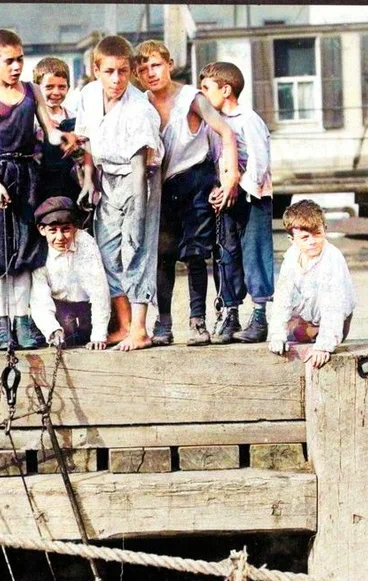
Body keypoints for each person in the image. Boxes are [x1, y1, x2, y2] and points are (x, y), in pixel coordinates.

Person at [0, 28, 76, 351]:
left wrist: (69, 139)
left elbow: (50, 130)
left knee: (26, 256)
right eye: (9, 61)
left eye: (20, 60)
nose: (17, 67)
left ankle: (22, 322)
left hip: (28, 178)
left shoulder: (32, 91)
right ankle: (0, 324)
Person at [136, 41, 240, 347]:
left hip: (195, 181)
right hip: (160, 186)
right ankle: (163, 322)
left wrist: (230, 177)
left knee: (196, 255)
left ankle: (198, 321)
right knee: (162, 256)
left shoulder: (190, 98)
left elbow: (226, 132)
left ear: (169, 64)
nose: (150, 74)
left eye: (155, 65)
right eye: (142, 69)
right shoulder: (140, 102)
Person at [74, 35, 163, 352]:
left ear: (131, 71)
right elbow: (85, 141)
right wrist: (89, 179)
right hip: (106, 176)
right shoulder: (87, 95)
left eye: (123, 71)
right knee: (107, 251)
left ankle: (140, 329)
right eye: (109, 71)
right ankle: (123, 323)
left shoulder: (138, 107)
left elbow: (140, 168)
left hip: (139, 180)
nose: (116, 79)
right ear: (96, 69)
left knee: (138, 248)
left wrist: (138, 214)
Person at [200, 61, 276, 344]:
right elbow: (214, 161)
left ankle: (259, 316)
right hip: (227, 200)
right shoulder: (215, 125)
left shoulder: (248, 120)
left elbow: (259, 163)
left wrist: (238, 187)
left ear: (226, 89)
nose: (203, 96)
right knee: (226, 254)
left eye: (207, 89)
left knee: (254, 254)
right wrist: (216, 188)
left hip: (251, 198)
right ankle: (230, 312)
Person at [267, 200, 357, 370]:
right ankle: (305, 333)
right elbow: (282, 298)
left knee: (312, 335)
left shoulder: (332, 259)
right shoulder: (291, 257)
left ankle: (320, 337)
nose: (312, 242)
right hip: (305, 314)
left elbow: (334, 307)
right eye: (305, 237)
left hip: (334, 318)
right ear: (292, 239)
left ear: (325, 230)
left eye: (317, 234)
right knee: (287, 330)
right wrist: (277, 335)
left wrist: (324, 346)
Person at [28, 196, 110, 350]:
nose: (60, 237)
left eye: (66, 229)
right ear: (41, 229)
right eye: (53, 230)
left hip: (85, 306)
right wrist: (53, 330)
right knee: (65, 332)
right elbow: (39, 299)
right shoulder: (39, 252)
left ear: (75, 227)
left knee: (89, 333)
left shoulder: (85, 243)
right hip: (59, 306)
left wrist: (99, 335)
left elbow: (99, 291)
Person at [33, 57, 82, 203]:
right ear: (37, 87)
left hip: (70, 185)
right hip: (41, 186)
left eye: (62, 87)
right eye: (49, 87)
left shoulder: (75, 118)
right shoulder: (32, 120)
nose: (56, 92)